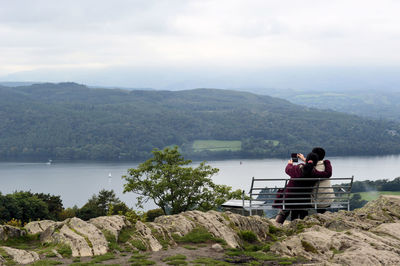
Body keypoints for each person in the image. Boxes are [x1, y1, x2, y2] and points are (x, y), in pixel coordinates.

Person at [275, 152, 332, 224]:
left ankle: (278, 224)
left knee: (285, 208)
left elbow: (287, 169)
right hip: (304, 200)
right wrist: (326, 162)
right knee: (302, 207)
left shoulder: (296, 168)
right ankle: (302, 225)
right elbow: (327, 173)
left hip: (290, 199)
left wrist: (290, 163)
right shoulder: (315, 173)